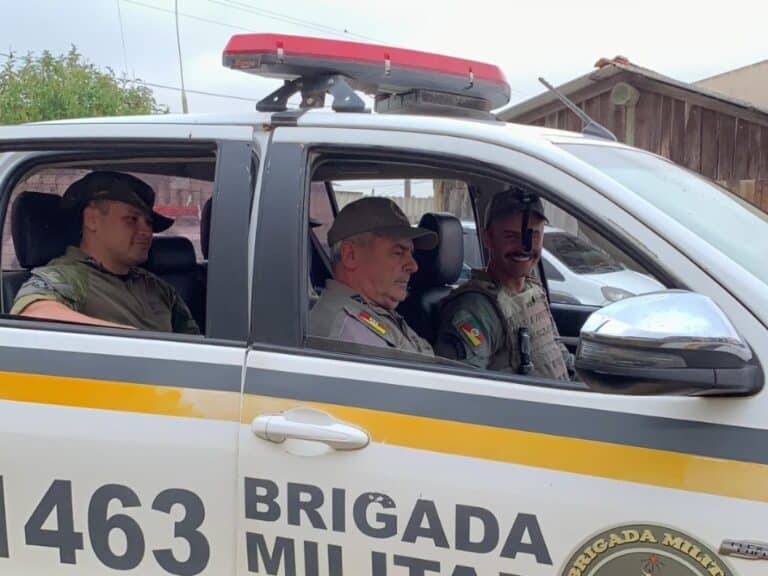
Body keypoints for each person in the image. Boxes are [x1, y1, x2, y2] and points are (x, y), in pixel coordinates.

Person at [10, 171, 200, 334]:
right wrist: (137, 341)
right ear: (92, 219)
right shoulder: (67, 276)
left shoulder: (156, 287)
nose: (146, 232)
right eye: (131, 219)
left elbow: (195, 344)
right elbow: (35, 313)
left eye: (148, 222)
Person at [434, 188, 571, 379]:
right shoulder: (475, 309)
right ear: (488, 238)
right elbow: (461, 389)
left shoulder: (533, 291)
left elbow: (558, 357)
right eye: (511, 237)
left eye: (533, 235)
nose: (524, 248)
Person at [310, 196, 437, 355]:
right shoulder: (350, 328)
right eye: (398, 252)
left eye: (411, 253)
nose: (413, 266)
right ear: (351, 256)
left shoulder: (374, 311)